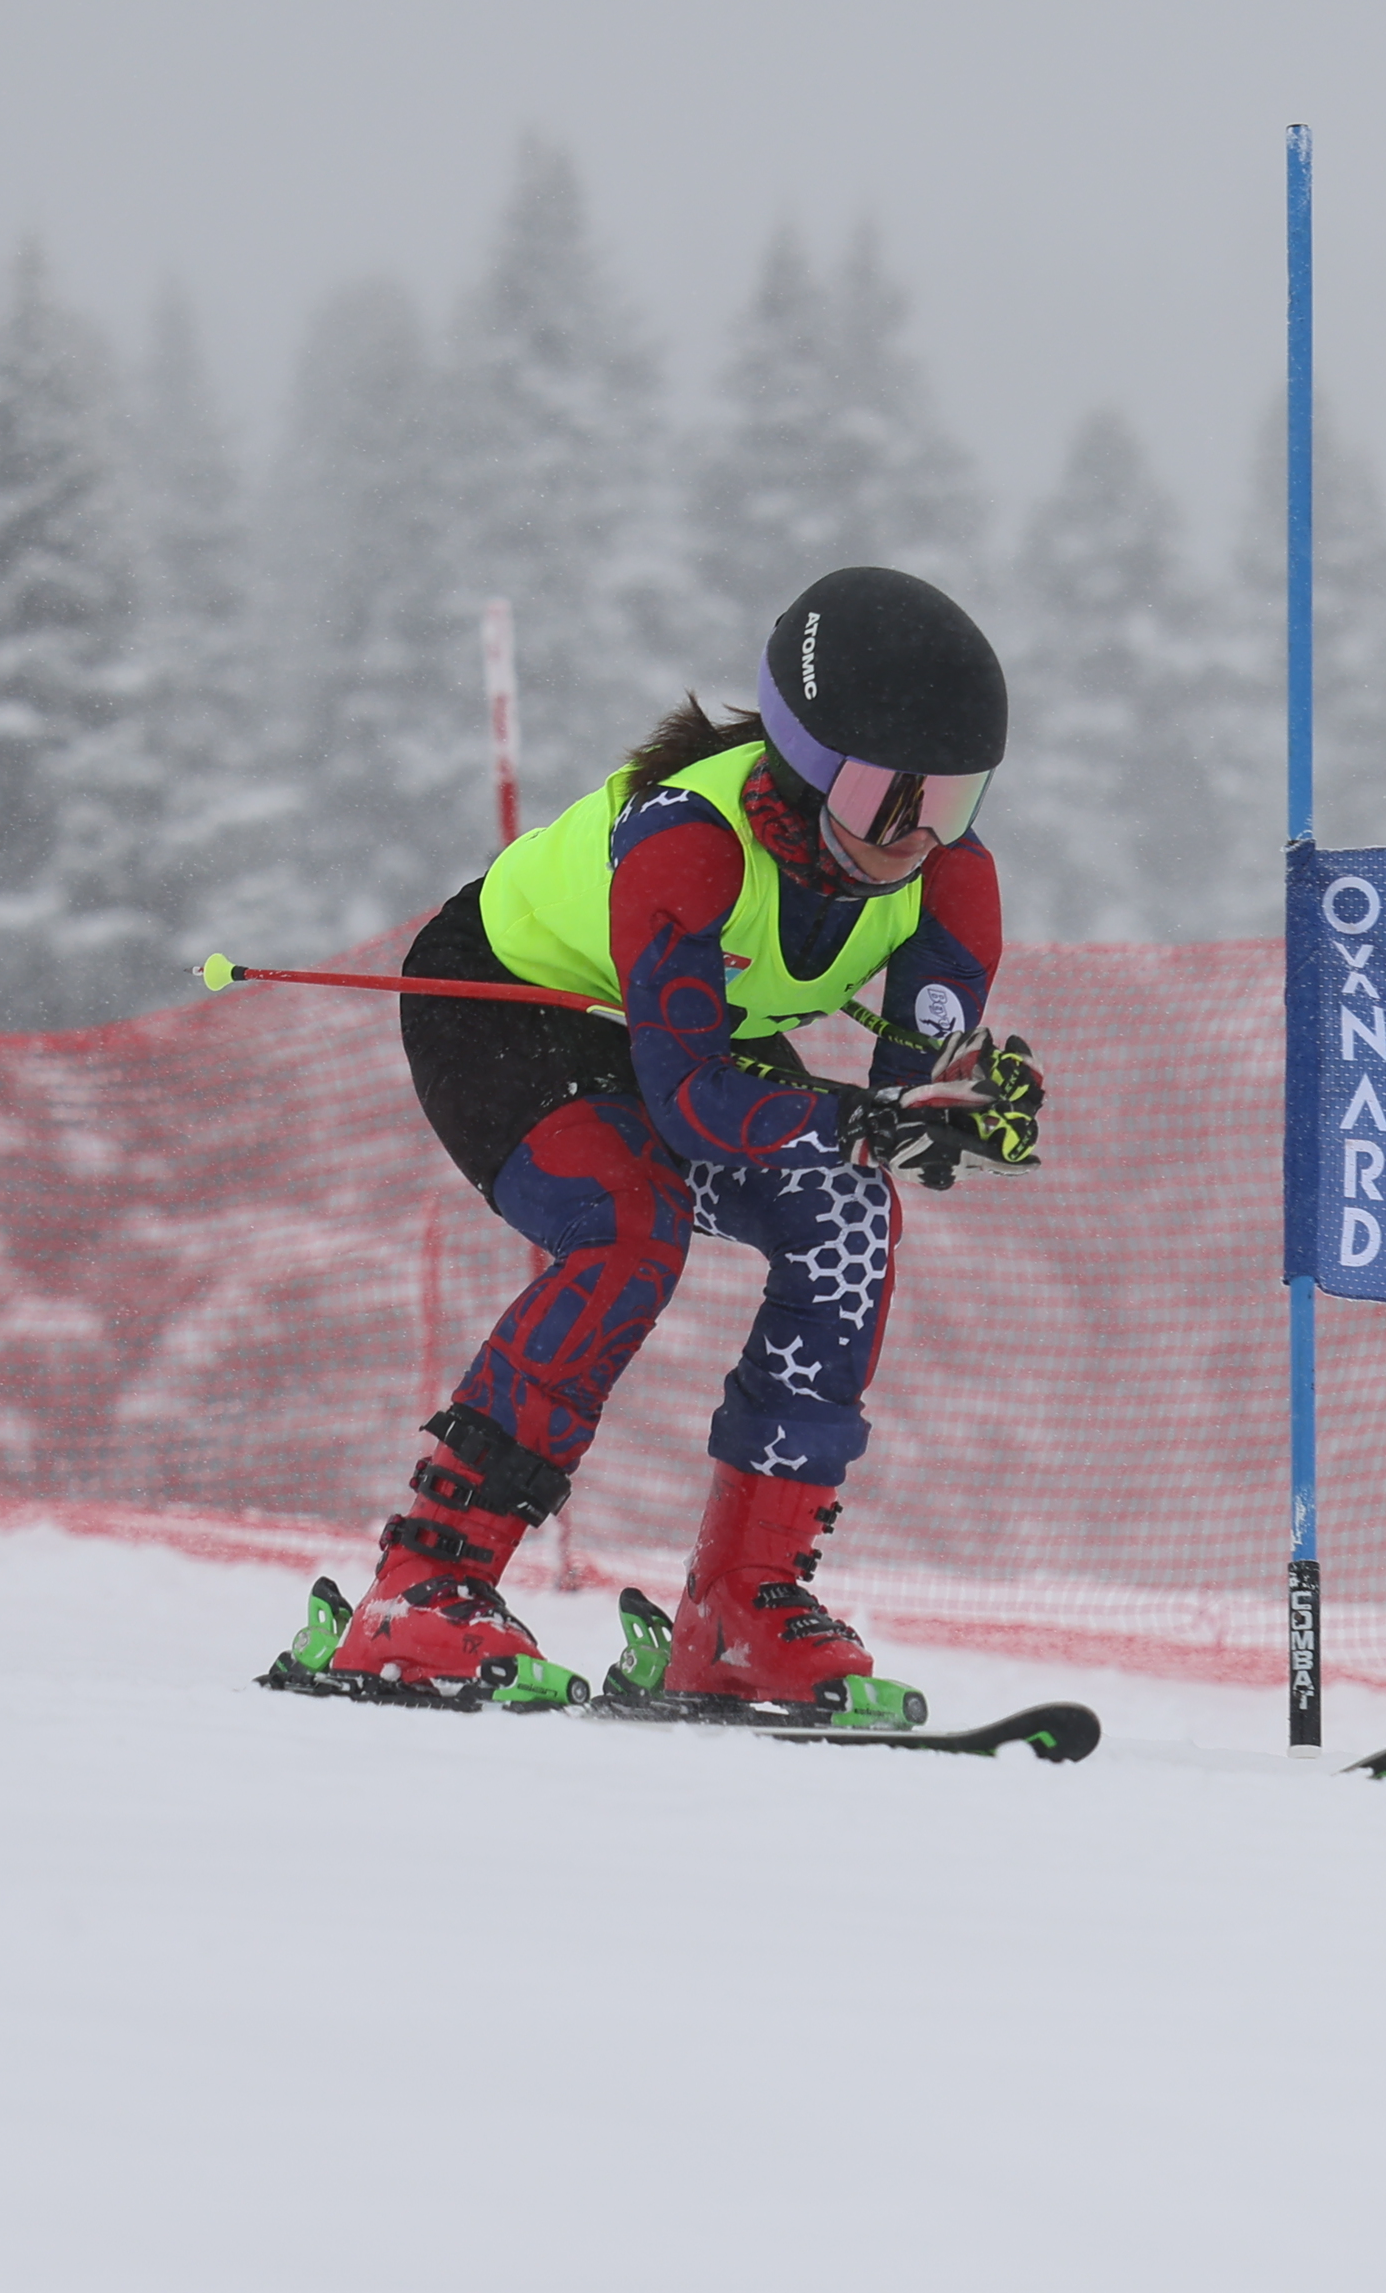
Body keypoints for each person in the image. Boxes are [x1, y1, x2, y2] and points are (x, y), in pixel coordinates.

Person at [294, 563, 1044, 1721]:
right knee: (625, 1225)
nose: (913, 839)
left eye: (948, 804)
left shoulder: (953, 880)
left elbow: (894, 1100)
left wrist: (945, 1113)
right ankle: (423, 1579)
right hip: (508, 1008)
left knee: (847, 1215)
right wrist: (858, 1117)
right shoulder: (689, 838)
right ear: (800, 763)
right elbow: (688, 1099)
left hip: (686, 1035)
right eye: (886, 801)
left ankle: (739, 1610)